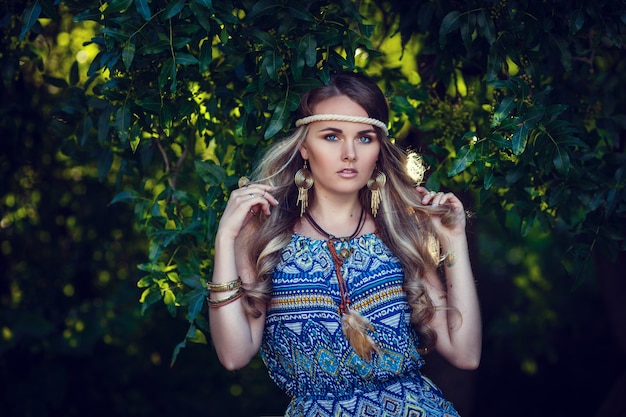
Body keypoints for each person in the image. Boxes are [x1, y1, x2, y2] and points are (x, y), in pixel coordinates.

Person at [207, 71, 481, 417]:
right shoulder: (265, 237)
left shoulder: (401, 233)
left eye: (364, 138)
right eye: (332, 136)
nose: (349, 153)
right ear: (304, 147)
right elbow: (234, 355)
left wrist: (454, 240)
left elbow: (466, 353)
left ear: (379, 149)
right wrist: (225, 238)